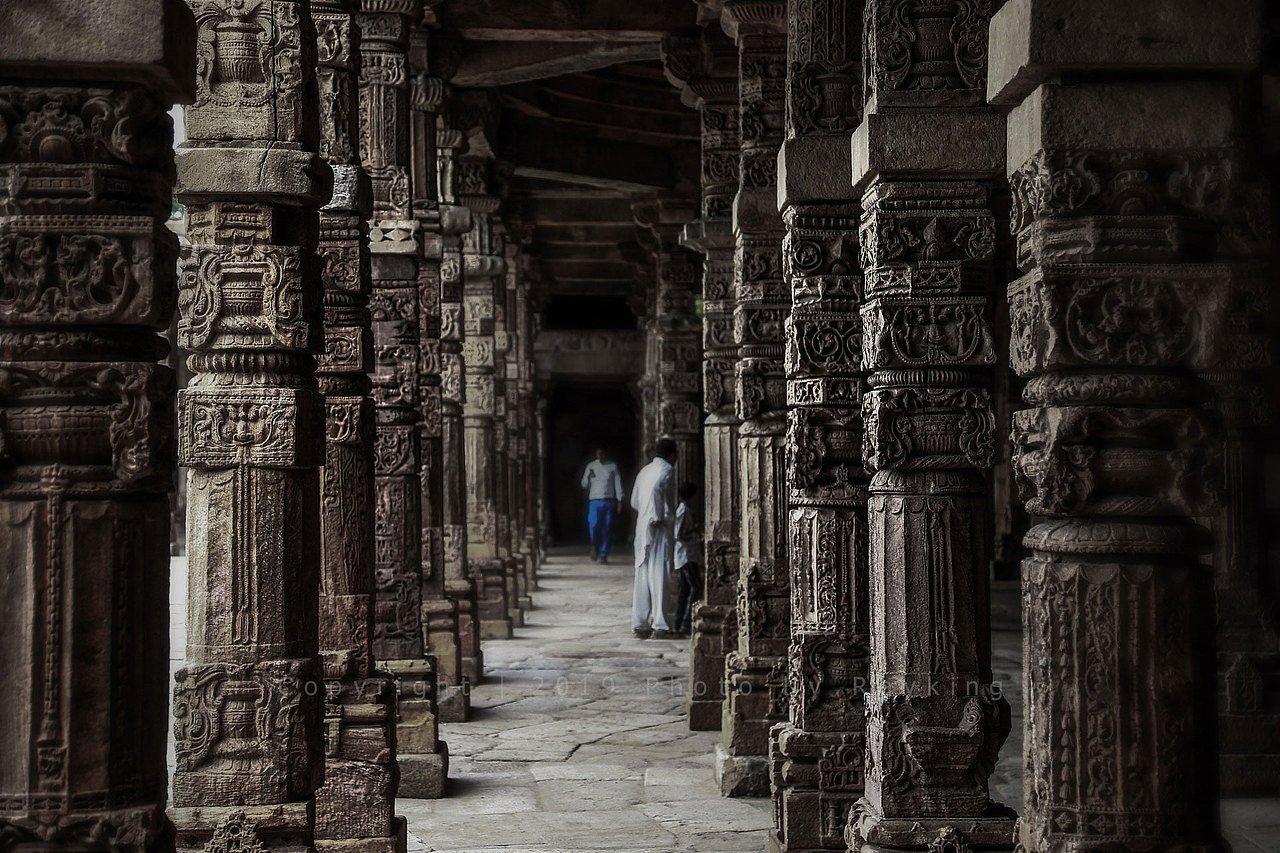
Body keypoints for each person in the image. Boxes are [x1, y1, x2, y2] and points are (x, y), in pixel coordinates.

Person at [630, 438, 677, 639]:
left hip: (642, 527)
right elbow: (663, 499)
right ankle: (660, 624)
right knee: (659, 574)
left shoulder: (644, 471)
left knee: (642, 573)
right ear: (673, 454)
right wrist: (658, 516)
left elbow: (634, 502)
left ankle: (640, 623)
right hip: (659, 527)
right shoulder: (667, 470)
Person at [580, 445, 624, 563]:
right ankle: (595, 546)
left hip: (609, 500)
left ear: (606, 454)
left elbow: (617, 483)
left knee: (608, 527)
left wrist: (620, 499)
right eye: (598, 453)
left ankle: (604, 554)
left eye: (602, 453)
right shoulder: (591, 466)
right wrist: (588, 477)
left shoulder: (612, 466)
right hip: (595, 500)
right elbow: (583, 485)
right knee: (593, 525)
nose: (600, 456)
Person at [672, 482, 702, 637]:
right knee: (697, 588)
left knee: (684, 591)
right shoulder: (683, 511)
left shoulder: (685, 510)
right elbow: (679, 534)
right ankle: (685, 622)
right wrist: (695, 531)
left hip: (686, 556)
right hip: (686, 556)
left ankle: (678, 624)